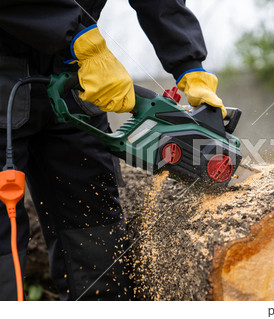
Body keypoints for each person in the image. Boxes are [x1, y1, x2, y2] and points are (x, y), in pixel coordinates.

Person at [0, 0, 225, 301]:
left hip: (79, 81)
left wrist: (189, 64)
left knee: (96, 244)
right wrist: (80, 39)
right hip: (13, 64)